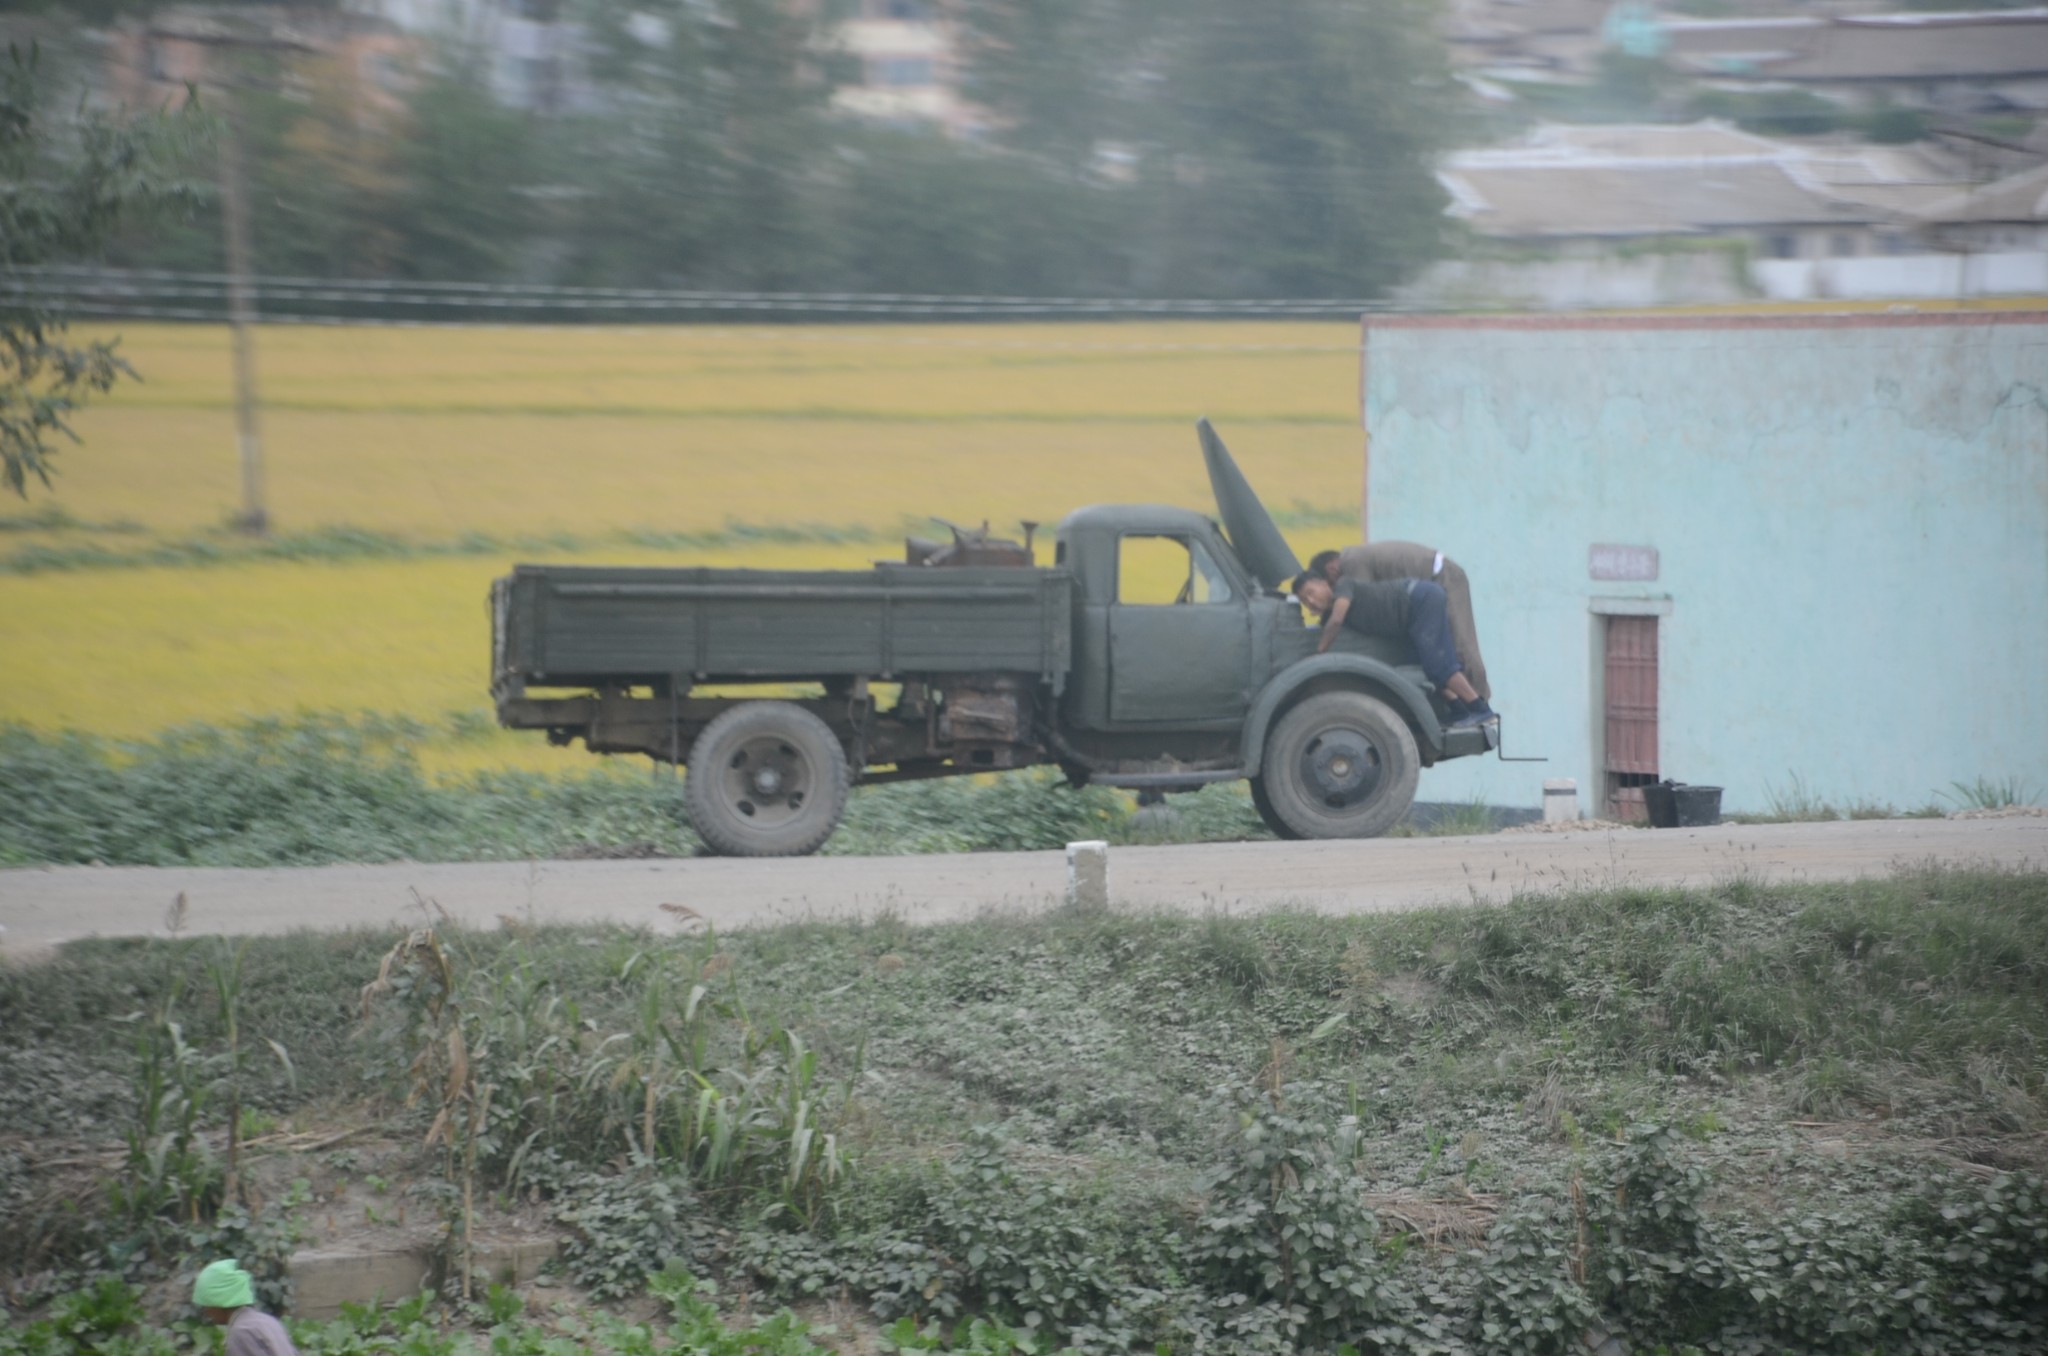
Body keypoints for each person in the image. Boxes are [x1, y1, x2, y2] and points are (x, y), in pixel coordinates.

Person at [1293, 571, 1496, 728]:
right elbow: (1328, 624)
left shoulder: (1343, 586)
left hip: (1420, 599)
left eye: (1311, 592)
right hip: (1411, 618)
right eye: (1304, 600)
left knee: (1439, 666)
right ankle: (1459, 710)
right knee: (1423, 666)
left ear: (1323, 584)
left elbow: (1336, 621)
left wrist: (1318, 655)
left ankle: (1480, 710)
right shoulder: (1331, 614)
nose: (1310, 600)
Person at [1308, 543, 1490, 702]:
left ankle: (1480, 702)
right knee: (1438, 657)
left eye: (1330, 584)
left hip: (1444, 577)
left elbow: (1359, 605)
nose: (1333, 590)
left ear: (1331, 569)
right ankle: (1465, 704)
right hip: (1430, 590)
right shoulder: (1356, 556)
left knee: (1461, 645)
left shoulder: (1352, 562)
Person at [192, 1259, 298, 1356]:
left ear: (220, 1304)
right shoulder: (267, 1321)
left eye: (207, 1306)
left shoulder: (240, 1332)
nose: (207, 1312)